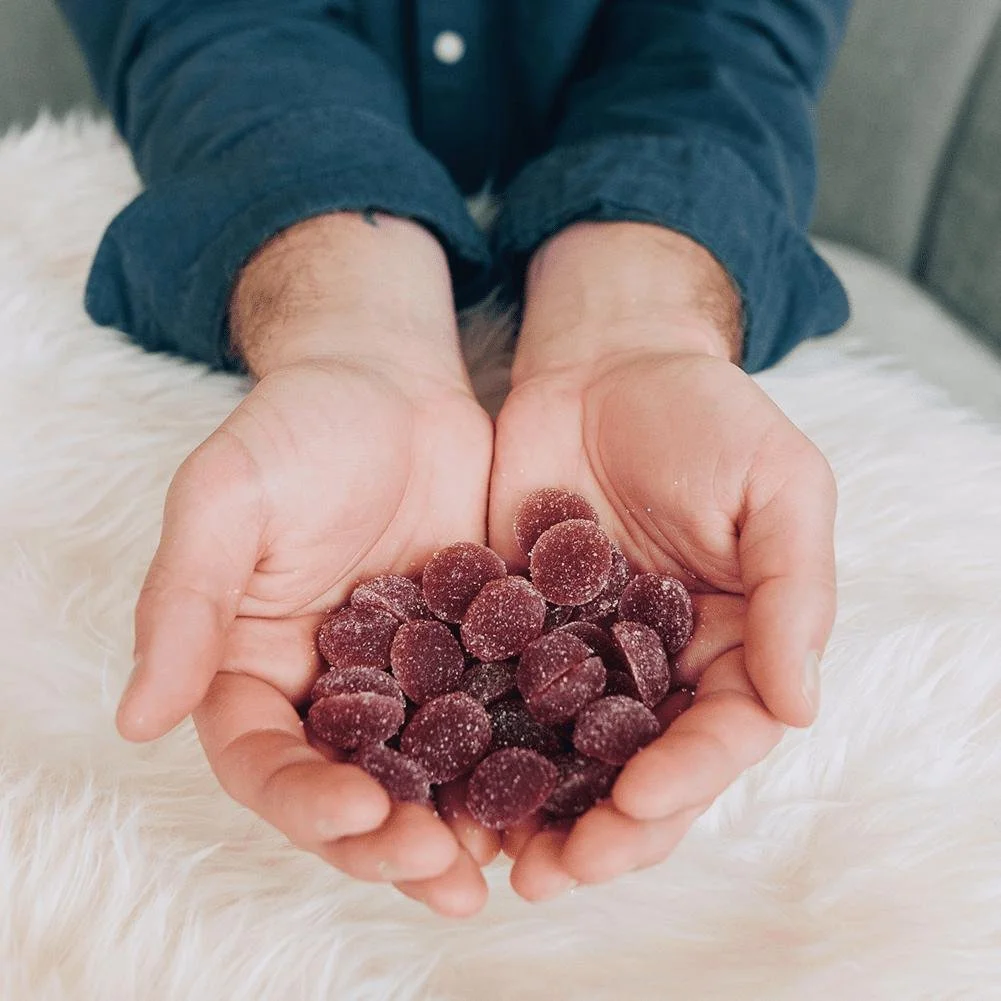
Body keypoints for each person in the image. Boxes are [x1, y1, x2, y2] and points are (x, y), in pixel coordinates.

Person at [57, 0, 848, 916]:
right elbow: (203, 22)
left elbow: (735, 31)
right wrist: (348, 320)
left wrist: (642, 307)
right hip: (267, 180)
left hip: (643, 198)